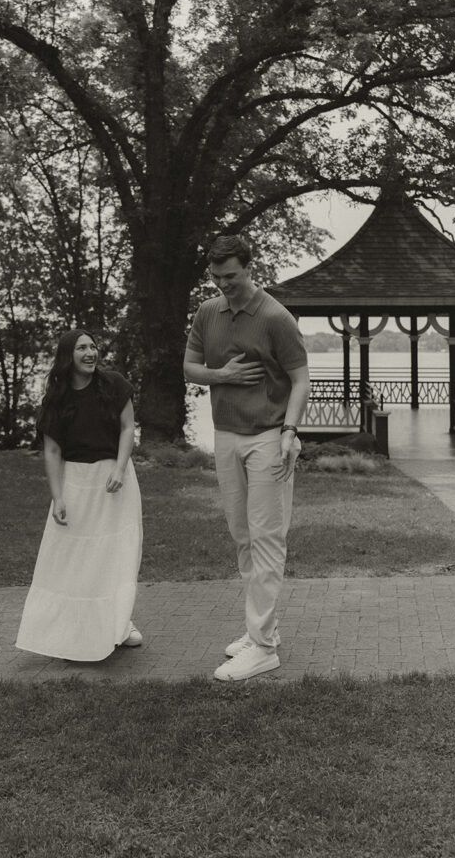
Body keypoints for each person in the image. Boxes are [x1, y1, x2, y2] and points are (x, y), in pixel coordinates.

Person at [184, 235, 310, 681]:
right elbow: (190, 367)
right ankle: (261, 628)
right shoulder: (207, 311)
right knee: (242, 536)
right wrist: (222, 375)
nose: (223, 285)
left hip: (268, 438)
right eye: (216, 277)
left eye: (231, 276)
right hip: (226, 437)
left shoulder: (275, 316)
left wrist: (290, 433)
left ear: (248, 268)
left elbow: (300, 380)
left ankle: (262, 648)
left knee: (267, 539)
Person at [16, 329, 143, 662]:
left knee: (115, 554)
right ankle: (67, 628)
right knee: (71, 558)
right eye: (81, 348)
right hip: (75, 482)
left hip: (115, 481)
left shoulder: (114, 384)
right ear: (67, 356)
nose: (90, 353)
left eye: (93, 346)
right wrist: (57, 497)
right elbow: (53, 450)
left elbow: (128, 427)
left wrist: (118, 468)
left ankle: (120, 623)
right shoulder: (57, 399)